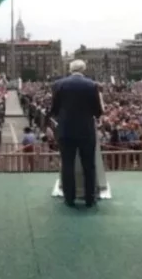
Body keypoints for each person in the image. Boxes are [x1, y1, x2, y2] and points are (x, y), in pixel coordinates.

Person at [50, 60, 103, 208]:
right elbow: (97, 111)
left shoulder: (58, 85)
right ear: (84, 69)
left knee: (67, 165)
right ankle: (89, 199)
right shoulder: (92, 85)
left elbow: (54, 109)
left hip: (66, 130)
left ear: (70, 69)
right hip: (86, 130)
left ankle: (69, 199)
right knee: (89, 165)